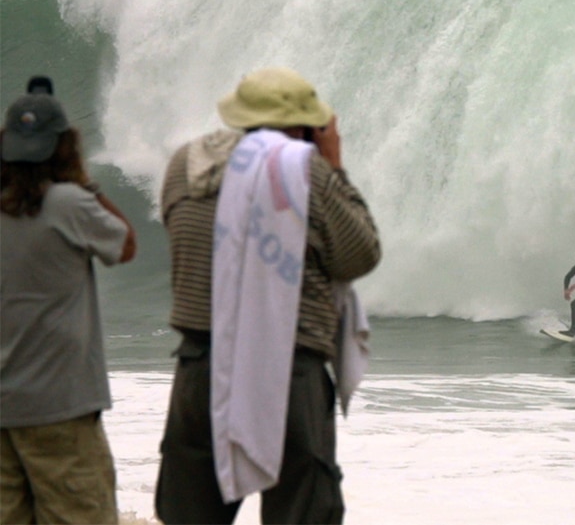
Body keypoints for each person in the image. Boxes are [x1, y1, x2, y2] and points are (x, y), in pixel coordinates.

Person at [154, 67, 381, 525]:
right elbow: (359, 254)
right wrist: (334, 165)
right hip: (289, 370)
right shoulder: (308, 172)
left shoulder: (186, 164)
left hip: (200, 367)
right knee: (302, 511)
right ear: (304, 127)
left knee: (190, 515)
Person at [0, 77, 138, 524]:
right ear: (63, 147)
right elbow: (125, 245)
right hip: (59, 407)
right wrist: (84, 182)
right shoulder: (70, 204)